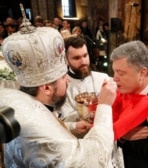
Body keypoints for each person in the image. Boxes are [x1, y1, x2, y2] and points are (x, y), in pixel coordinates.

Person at [0, 13, 116, 167]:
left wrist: (73, 127)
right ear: (46, 88)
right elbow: (93, 159)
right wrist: (104, 106)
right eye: (63, 77)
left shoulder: (26, 108)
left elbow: (48, 128)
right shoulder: (39, 129)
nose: (68, 79)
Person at [110, 40, 148, 168]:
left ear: (142, 73)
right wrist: (122, 136)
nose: (114, 78)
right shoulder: (121, 91)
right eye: (114, 72)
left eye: (121, 73)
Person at [60, 36, 110, 134]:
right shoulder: (62, 86)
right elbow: (65, 119)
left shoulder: (103, 78)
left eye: (85, 55)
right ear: (66, 60)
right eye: (76, 58)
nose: (83, 62)